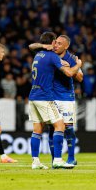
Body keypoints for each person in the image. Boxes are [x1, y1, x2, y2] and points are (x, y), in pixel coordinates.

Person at [28, 32, 82, 169]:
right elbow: (32, 45)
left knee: (68, 128)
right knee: (54, 128)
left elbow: (80, 77)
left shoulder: (70, 58)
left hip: (65, 96)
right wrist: (43, 45)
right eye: (56, 42)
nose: (57, 45)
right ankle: (55, 160)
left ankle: (71, 158)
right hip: (49, 96)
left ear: (66, 46)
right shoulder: (50, 55)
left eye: (59, 44)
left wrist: (74, 66)